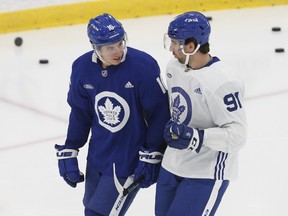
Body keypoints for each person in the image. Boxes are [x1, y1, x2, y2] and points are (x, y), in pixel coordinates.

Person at [54, 13, 170, 216]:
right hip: (98, 155)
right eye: (109, 47)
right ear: (95, 46)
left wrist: (152, 151)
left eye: (120, 43)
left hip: (128, 158)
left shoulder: (143, 66)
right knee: (90, 210)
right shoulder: (82, 68)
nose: (118, 51)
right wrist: (71, 147)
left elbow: (160, 113)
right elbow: (81, 113)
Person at [155, 11, 247, 216]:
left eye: (174, 42)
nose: (170, 48)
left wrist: (197, 136)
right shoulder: (173, 67)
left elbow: (238, 136)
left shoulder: (224, 82)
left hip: (205, 172)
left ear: (191, 46)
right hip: (172, 164)